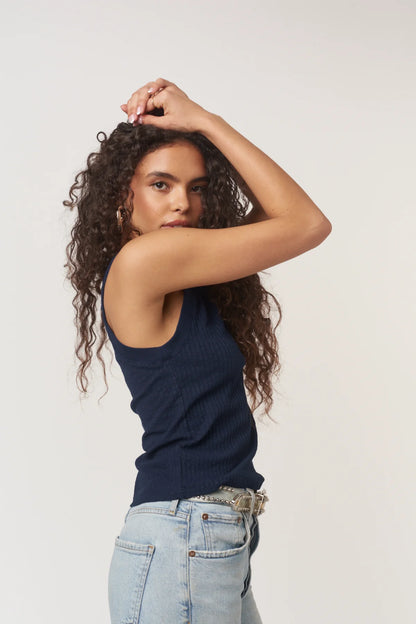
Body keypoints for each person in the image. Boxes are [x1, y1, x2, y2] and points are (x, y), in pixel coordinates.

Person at [63, 77, 332, 623]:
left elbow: (289, 215)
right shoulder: (145, 261)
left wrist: (201, 124)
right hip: (184, 535)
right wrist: (204, 121)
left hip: (208, 536)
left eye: (199, 186)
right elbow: (307, 223)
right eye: (160, 184)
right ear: (121, 195)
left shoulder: (182, 273)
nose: (183, 202)